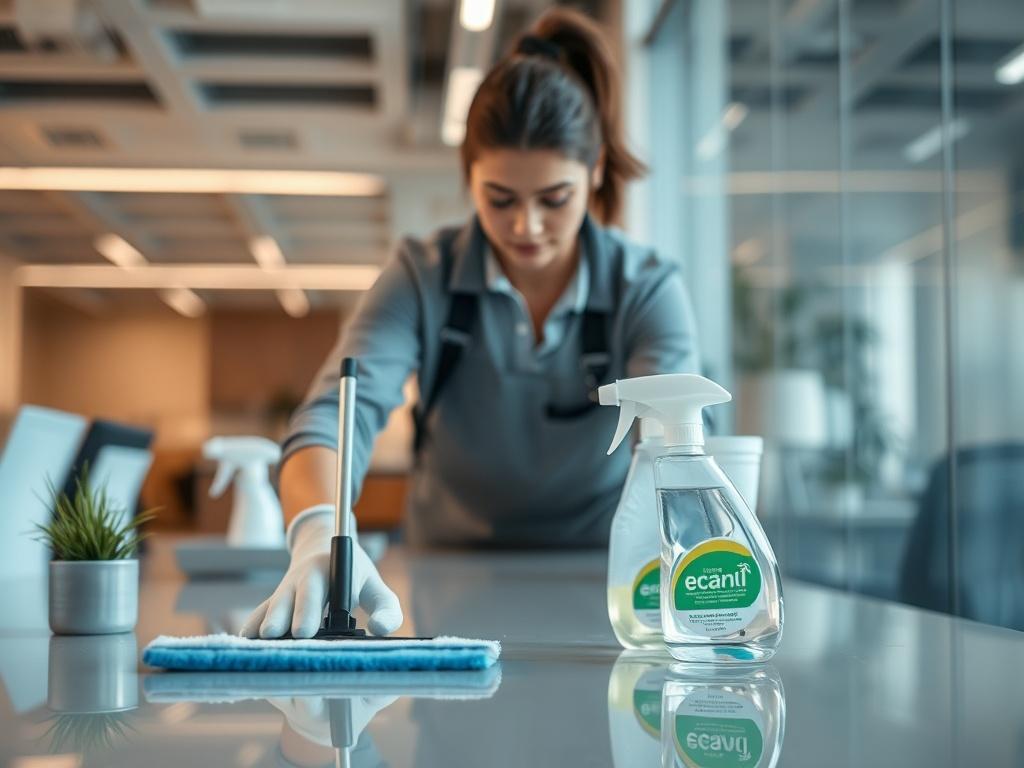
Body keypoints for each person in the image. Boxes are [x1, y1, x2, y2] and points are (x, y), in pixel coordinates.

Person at [241, 7, 700, 640]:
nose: (526, 227)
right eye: (501, 199)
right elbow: (334, 416)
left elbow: (682, 440)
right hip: (443, 583)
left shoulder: (646, 287)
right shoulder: (421, 275)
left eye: (554, 199)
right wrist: (318, 527)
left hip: (605, 583)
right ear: (470, 179)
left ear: (595, 172)